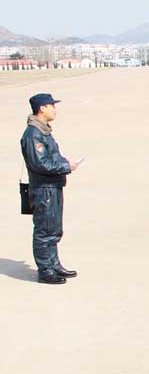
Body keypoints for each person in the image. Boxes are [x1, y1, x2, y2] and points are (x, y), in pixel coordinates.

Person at [21, 94, 80, 284]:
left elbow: (51, 157)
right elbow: (41, 163)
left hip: (52, 187)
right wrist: (65, 166)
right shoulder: (33, 134)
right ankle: (45, 271)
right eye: (51, 106)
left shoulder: (43, 131)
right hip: (44, 188)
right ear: (42, 108)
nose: (55, 109)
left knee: (54, 230)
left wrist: (65, 162)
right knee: (44, 231)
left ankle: (53, 265)